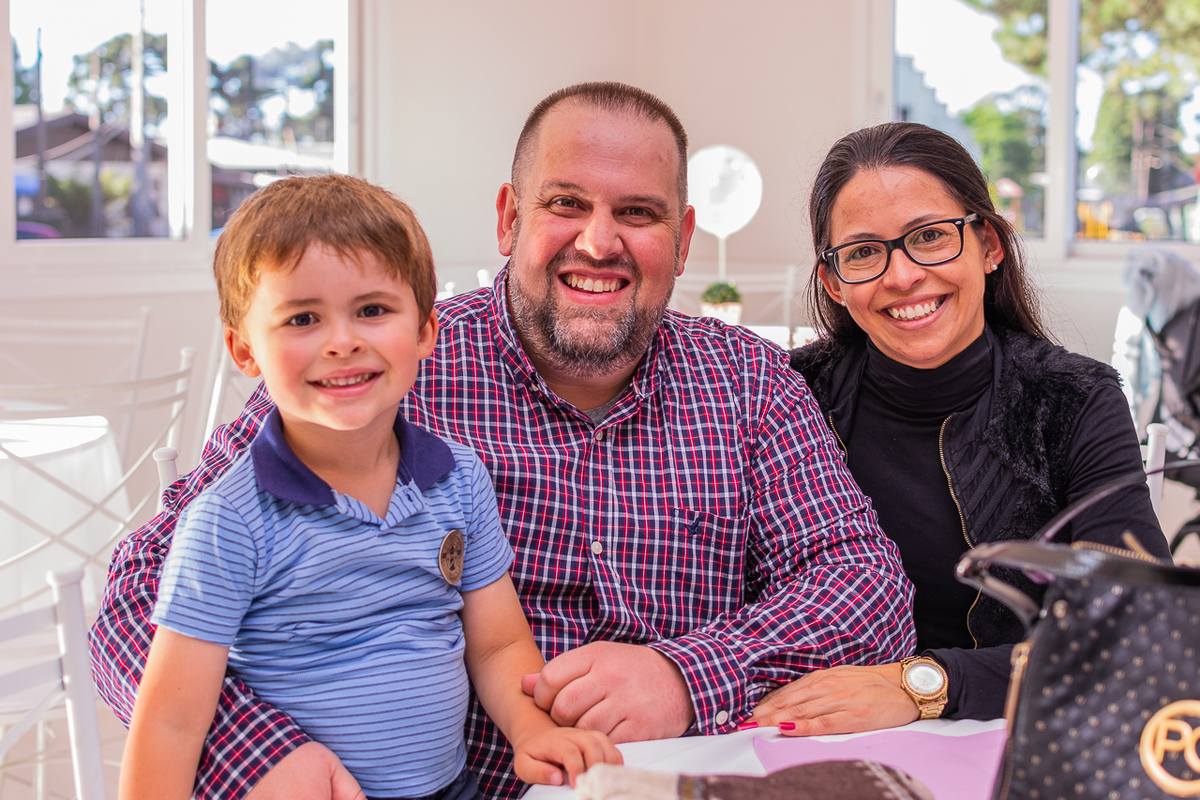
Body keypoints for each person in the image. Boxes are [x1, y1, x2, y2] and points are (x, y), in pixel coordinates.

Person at [92, 83, 916, 800]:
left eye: (638, 213)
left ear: (684, 237)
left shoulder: (750, 381)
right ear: (508, 218)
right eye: (566, 204)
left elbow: (867, 589)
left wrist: (687, 676)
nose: (599, 242)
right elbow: (134, 599)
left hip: (690, 779)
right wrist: (258, 753)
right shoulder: (385, 371)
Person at [119, 175, 621, 800]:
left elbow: (497, 645)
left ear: (425, 331)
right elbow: (169, 724)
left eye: (372, 311)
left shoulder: (459, 480)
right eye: (303, 318)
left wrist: (531, 730)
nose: (343, 341)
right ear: (244, 350)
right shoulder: (230, 521)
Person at [749, 121, 1170, 736]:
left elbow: (1139, 630)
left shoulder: (1074, 400)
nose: (901, 276)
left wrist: (925, 684)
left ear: (989, 245)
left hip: (1002, 735)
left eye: (930, 236)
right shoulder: (785, 394)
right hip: (797, 734)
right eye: (863, 252)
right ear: (833, 283)